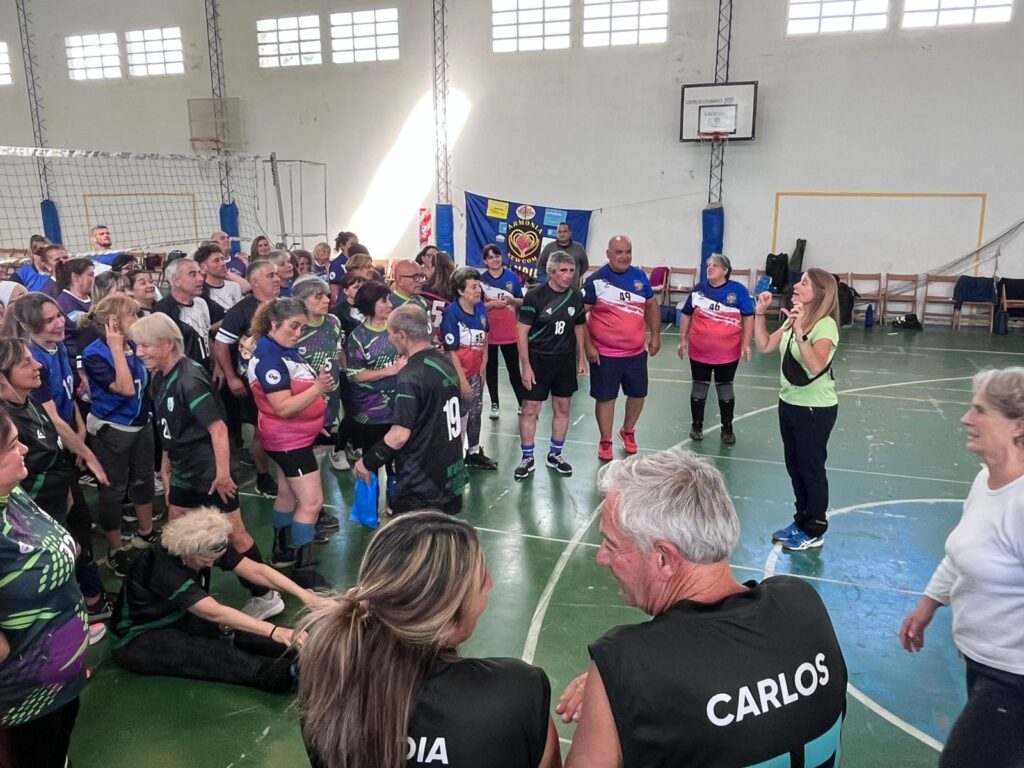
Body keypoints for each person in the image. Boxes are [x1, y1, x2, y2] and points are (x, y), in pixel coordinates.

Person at [558, 447, 847, 768]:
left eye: (612, 544)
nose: (601, 557)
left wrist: (614, 687)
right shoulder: (803, 603)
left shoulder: (626, 662)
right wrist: (620, 687)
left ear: (664, 558)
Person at [299, 510, 560, 768]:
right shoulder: (517, 692)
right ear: (446, 608)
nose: (490, 584)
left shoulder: (326, 681)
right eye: (480, 579)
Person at [899, 367, 1024, 768]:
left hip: (1013, 678)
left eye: (980, 410)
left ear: (1018, 425)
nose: (966, 419)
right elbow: (963, 553)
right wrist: (928, 605)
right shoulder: (986, 481)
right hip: (982, 663)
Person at [131, 313, 285, 619]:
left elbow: (218, 429)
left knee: (235, 535)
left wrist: (223, 475)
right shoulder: (159, 376)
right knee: (177, 531)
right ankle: (189, 597)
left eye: (145, 345)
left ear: (167, 343)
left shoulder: (189, 379)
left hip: (209, 473)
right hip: (184, 470)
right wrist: (166, 465)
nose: (139, 352)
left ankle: (265, 595)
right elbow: (168, 428)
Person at [109, 507, 327, 691]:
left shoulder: (208, 545)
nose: (212, 564)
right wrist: (273, 630)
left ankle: (317, 651)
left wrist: (307, 596)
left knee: (239, 633)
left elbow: (256, 571)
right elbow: (213, 612)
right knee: (211, 654)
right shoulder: (164, 568)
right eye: (206, 560)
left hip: (179, 616)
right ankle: (289, 676)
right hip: (138, 637)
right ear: (188, 551)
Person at [0, 409, 88, 768]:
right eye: (11, 445)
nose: (23, 448)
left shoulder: (12, 493)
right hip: (23, 697)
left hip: (61, 682)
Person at [248, 297, 334, 589]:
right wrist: (319, 389)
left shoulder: (283, 349)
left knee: (286, 494)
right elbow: (283, 407)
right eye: (293, 326)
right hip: (289, 441)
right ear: (274, 324)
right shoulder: (269, 359)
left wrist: (315, 423)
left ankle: (282, 551)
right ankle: (304, 569)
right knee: (311, 502)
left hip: (295, 435)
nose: (298, 333)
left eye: (302, 328)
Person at [754, 268, 840, 551]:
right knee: (795, 467)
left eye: (804, 283)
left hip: (815, 409)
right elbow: (765, 346)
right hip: (789, 403)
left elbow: (815, 365)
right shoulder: (794, 318)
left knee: (811, 469)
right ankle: (801, 519)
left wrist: (801, 331)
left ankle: (815, 529)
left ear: (819, 293)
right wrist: (760, 314)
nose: (796, 286)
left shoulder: (825, 326)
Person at [354, 305, 468, 516]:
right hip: (451, 474)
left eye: (390, 333)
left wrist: (367, 462)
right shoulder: (444, 362)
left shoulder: (411, 375)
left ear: (402, 336)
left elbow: (399, 435)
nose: (389, 339)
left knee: (417, 535)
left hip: (422, 482)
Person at [81, 296, 158, 576]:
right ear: (113, 323)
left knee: (144, 479)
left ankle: (146, 531)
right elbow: (125, 388)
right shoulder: (94, 354)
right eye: (132, 315)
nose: (138, 320)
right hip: (113, 429)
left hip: (141, 424)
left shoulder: (136, 344)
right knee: (113, 489)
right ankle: (115, 549)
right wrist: (117, 347)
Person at [582, 235, 661, 461]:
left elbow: (651, 305)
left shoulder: (639, 277)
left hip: (636, 353)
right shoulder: (596, 281)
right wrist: (588, 346)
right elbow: (579, 315)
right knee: (606, 398)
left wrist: (655, 336)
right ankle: (605, 440)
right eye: (618, 252)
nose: (624, 256)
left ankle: (628, 430)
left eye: (628, 251)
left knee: (638, 394)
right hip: (605, 354)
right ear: (608, 254)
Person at [514, 252, 587, 481]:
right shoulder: (534, 297)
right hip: (538, 359)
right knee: (530, 408)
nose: (568, 275)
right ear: (551, 272)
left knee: (563, 407)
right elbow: (521, 332)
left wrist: (581, 357)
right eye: (563, 271)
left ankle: (555, 454)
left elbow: (579, 326)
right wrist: (526, 365)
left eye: (571, 271)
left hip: (564, 361)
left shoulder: (576, 296)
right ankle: (527, 457)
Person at [212, 259, 281, 498]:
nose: (277, 279)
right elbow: (221, 344)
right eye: (270, 275)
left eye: (276, 274)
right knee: (262, 429)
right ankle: (263, 477)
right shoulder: (241, 311)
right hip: (255, 384)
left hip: (282, 380)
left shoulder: (285, 305)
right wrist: (231, 377)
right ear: (254, 282)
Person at [677, 253, 754, 445]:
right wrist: (682, 340)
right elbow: (686, 314)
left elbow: (748, 317)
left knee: (725, 389)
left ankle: (727, 428)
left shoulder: (738, 291)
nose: (709, 268)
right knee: (699, 388)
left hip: (728, 353)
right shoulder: (698, 290)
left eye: (715, 265)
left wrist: (746, 343)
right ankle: (696, 425)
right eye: (708, 265)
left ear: (725, 271)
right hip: (699, 351)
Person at [290, 275, 345, 526]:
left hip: (329, 403)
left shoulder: (333, 322)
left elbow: (338, 354)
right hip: (303, 406)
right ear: (301, 301)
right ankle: (307, 511)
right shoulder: (294, 330)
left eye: (327, 295)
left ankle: (314, 507)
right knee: (304, 462)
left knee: (320, 457)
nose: (326, 300)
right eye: (318, 296)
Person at [345, 282, 404, 506]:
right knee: (371, 459)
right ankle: (368, 507)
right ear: (370, 304)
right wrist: (391, 370)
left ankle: (395, 504)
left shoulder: (398, 329)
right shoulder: (358, 337)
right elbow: (355, 375)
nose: (390, 304)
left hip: (398, 407)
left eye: (389, 299)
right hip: (370, 412)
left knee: (396, 460)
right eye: (384, 300)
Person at [442, 267, 497, 470]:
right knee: (459, 415)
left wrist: (484, 363)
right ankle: (454, 457)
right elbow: (451, 351)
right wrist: (462, 381)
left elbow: (486, 335)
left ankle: (473, 452)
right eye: (473, 287)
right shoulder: (451, 314)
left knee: (476, 411)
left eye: (479, 286)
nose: (478, 290)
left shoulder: (480, 307)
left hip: (476, 371)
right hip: (458, 374)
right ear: (460, 291)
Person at [480, 243, 526, 420]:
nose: (495, 260)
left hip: (509, 331)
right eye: (490, 257)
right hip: (489, 332)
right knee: (491, 369)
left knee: (514, 369)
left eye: (497, 256)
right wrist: (492, 304)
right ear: (485, 261)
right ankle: (494, 404)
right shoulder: (481, 280)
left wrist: (512, 300)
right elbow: (477, 306)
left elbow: (521, 301)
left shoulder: (511, 277)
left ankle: (521, 402)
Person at [153, 256, 215, 371]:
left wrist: (217, 365)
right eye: (193, 274)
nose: (200, 278)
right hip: (183, 374)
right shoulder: (162, 311)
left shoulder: (201, 303)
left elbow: (208, 336)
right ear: (176, 281)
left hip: (206, 371)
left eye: (199, 273)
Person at [54, 258, 95, 359]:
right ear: (75, 277)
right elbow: (83, 324)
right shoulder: (64, 302)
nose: (94, 278)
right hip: (80, 356)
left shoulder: (93, 297)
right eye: (90, 275)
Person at [195, 241, 243, 313]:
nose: (223, 263)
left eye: (222, 259)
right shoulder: (201, 294)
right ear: (203, 267)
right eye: (216, 261)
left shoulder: (235, 286)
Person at [538, 222, 588, 288]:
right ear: (557, 233)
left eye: (565, 231)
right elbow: (540, 264)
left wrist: (574, 275)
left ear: (570, 233)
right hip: (552, 288)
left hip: (572, 288)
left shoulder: (579, 248)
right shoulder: (549, 248)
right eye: (559, 232)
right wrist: (552, 274)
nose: (562, 234)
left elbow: (585, 266)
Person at [420, 251, 456, 333]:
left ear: (433, 268)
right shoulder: (457, 291)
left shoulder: (422, 288)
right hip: (448, 334)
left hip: (426, 333)